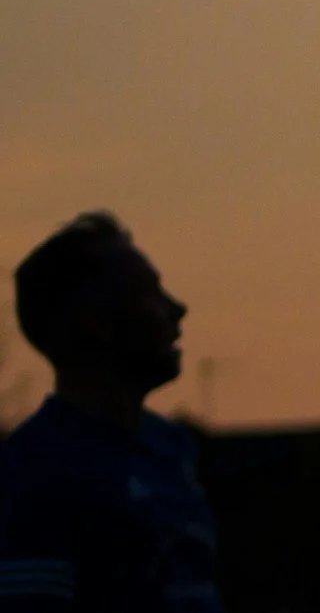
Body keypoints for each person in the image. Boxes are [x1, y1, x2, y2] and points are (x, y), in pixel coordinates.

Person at [0, 213, 219, 609]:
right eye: (150, 293)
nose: (178, 309)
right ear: (94, 323)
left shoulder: (174, 450)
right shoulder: (33, 472)